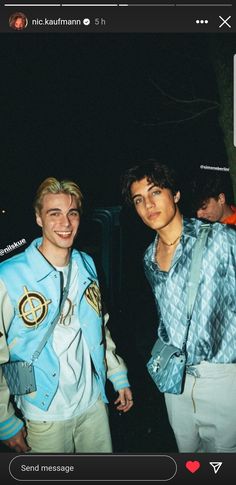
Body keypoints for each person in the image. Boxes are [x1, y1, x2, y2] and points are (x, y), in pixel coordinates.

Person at [0, 177, 133, 453]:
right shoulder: (9, 275)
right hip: (41, 409)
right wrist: (5, 419)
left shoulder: (86, 264)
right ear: (39, 218)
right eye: (54, 213)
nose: (66, 222)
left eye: (72, 213)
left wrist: (117, 372)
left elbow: (99, 324)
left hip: (92, 402)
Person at [121, 160, 236, 453]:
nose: (148, 204)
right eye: (139, 199)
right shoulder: (148, 257)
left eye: (155, 192)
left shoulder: (221, 240)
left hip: (223, 379)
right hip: (176, 382)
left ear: (175, 195)